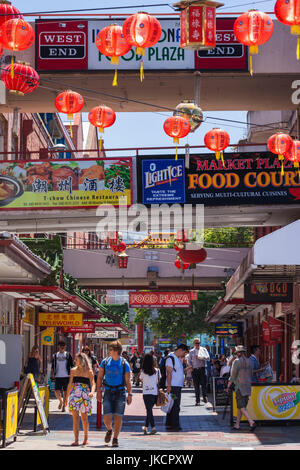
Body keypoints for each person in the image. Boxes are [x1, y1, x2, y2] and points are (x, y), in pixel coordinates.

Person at [96, 340, 132, 448]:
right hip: (107, 391)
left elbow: (128, 380)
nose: (108, 351)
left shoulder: (124, 363)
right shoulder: (105, 362)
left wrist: (130, 394)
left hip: (120, 392)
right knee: (106, 418)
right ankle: (109, 430)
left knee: (118, 417)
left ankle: (115, 439)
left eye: (110, 349)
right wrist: (98, 391)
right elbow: (100, 377)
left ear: (115, 350)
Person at [65, 353, 95, 446]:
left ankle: (86, 439)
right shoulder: (73, 371)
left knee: (84, 418)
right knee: (75, 418)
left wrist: (92, 392)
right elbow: (70, 384)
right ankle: (76, 440)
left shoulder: (89, 372)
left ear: (81, 361)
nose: (75, 361)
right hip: (74, 395)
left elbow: (93, 383)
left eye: (76, 360)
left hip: (85, 395)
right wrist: (66, 397)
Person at [227, 345, 257, 432]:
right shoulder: (249, 361)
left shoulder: (236, 362)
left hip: (239, 386)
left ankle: (251, 422)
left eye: (236, 353)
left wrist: (228, 385)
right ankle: (237, 424)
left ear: (238, 353)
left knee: (241, 406)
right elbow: (251, 373)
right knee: (240, 406)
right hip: (248, 386)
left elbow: (232, 375)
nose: (236, 355)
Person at [165, 344, 189, 431]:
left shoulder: (177, 358)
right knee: (175, 405)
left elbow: (177, 372)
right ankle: (174, 425)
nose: (184, 355)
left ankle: (170, 423)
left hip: (176, 386)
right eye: (184, 353)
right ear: (180, 350)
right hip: (173, 386)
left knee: (173, 405)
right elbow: (169, 373)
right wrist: (169, 385)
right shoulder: (170, 358)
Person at [140, 353, 161, 435]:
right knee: (149, 410)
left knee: (149, 410)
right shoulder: (157, 371)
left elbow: (141, 379)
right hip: (154, 392)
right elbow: (158, 381)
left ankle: (153, 427)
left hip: (146, 392)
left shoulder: (143, 371)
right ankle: (145, 427)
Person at [51, 341, 74, 412]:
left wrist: (73, 375)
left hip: (66, 376)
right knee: (56, 391)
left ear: (65, 346)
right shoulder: (55, 355)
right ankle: (60, 401)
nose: (62, 347)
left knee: (65, 392)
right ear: (58, 346)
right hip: (57, 376)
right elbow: (53, 366)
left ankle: (64, 405)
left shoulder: (67, 355)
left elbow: (72, 365)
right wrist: (52, 374)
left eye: (63, 345)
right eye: (61, 345)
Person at [187, 338, 210, 405]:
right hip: (195, 370)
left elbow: (208, 358)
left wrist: (200, 357)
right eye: (196, 343)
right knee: (196, 386)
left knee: (203, 384)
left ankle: (204, 396)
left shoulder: (204, 349)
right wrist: (191, 367)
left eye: (199, 343)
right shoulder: (191, 351)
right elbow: (189, 361)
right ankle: (197, 401)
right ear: (194, 343)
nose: (197, 344)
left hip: (202, 369)